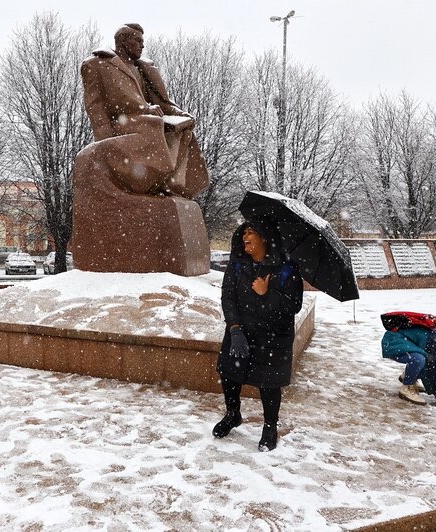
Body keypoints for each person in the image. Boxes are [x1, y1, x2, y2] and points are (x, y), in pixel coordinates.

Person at [80, 23, 209, 199]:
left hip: (147, 122)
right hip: (122, 125)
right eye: (138, 40)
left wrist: (180, 115)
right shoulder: (97, 64)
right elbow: (95, 106)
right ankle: (151, 179)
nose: (142, 45)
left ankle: (168, 185)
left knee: (183, 132)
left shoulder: (143, 68)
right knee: (153, 123)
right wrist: (104, 142)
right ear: (124, 41)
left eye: (143, 41)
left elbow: (162, 104)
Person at [213, 219, 303, 452]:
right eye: (244, 231)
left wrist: (266, 293)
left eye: (251, 231)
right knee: (230, 373)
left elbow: (293, 305)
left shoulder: (286, 268)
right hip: (241, 331)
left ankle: (270, 426)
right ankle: (233, 414)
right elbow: (228, 296)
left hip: (274, 336)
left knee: (269, 383)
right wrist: (234, 328)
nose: (245, 236)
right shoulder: (237, 264)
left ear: (264, 237)